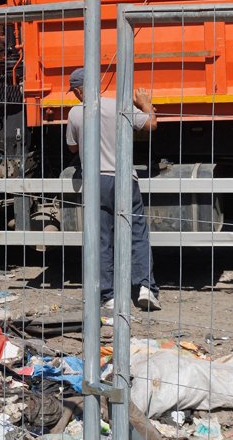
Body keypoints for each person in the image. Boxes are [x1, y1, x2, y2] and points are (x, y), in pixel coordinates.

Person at [65, 67, 161, 313]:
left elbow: (73, 149)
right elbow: (151, 125)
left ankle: (108, 296)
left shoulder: (75, 113)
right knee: (137, 233)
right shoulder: (118, 105)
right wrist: (146, 104)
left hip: (96, 181)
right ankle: (145, 288)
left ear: (77, 90)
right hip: (124, 178)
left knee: (102, 238)